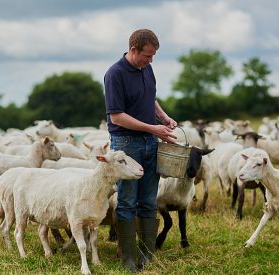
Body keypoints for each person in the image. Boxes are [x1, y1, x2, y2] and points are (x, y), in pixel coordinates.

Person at [104, 29, 177, 272]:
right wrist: (152, 128)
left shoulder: (146, 69)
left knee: (148, 200)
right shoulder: (115, 74)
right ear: (133, 50)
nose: (151, 60)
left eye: (153, 55)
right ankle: (128, 258)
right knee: (126, 201)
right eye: (147, 55)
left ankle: (147, 254)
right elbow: (117, 116)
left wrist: (163, 118)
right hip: (126, 144)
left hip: (150, 142)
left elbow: (150, 98)